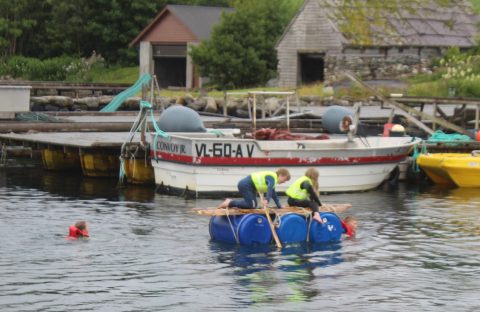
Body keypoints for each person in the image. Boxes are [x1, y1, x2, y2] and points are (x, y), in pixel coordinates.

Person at [218, 168, 291, 209]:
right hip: (245, 185)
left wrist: (279, 207)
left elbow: (274, 195)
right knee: (251, 205)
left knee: (254, 205)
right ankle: (229, 202)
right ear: (281, 175)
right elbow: (269, 189)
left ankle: (232, 202)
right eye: (284, 180)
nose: (284, 182)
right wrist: (267, 200)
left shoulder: (274, 181)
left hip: (251, 188)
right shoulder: (272, 177)